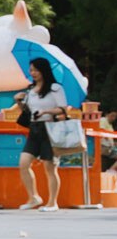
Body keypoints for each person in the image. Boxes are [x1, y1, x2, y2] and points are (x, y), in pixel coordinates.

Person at [16, 53, 73, 211]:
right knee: (23, 163)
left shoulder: (55, 88)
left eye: (35, 70)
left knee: (50, 166)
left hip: (49, 128)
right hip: (34, 129)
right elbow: (27, 112)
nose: (32, 73)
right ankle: (33, 197)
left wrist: (46, 111)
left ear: (43, 71)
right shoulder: (30, 90)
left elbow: (63, 108)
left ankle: (52, 202)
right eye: (31, 70)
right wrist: (19, 101)